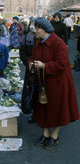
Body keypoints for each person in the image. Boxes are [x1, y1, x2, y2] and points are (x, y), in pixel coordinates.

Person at [28, 17, 79, 150]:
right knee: (43, 108)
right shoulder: (38, 43)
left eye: (37, 28)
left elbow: (61, 64)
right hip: (43, 83)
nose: (34, 31)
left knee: (57, 110)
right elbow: (32, 58)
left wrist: (44, 66)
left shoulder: (58, 43)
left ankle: (54, 135)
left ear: (44, 30)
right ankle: (46, 133)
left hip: (58, 83)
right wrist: (31, 64)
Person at [20, 19, 36, 123]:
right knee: (31, 91)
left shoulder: (46, 39)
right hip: (31, 71)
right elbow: (22, 53)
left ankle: (43, 116)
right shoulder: (27, 38)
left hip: (45, 70)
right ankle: (34, 114)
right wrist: (30, 64)